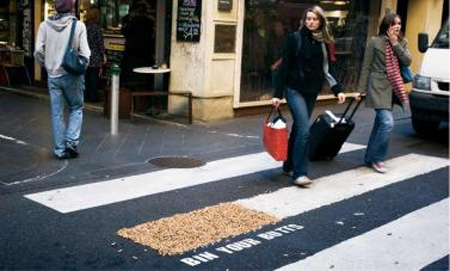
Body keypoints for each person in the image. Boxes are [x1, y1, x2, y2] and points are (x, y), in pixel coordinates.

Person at [272, 5, 346, 187]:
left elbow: (327, 69)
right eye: (308, 19)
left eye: (314, 19)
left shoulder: (324, 42)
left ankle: (288, 164)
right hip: (294, 89)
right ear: (304, 21)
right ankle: (300, 173)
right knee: (305, 129)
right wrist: (277, 94)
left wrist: (338, 89)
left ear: (320, 21)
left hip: (311, 91)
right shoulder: (295, 39)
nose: (311, 22)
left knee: (298, 129)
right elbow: (285, 67)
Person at [34, 0, 91, 159]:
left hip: (53, 75)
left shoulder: (44, 26)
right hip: (72, 75)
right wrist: (81, 67)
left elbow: (38, 50)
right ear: (72, 8)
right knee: (76, 107)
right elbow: (86, 53)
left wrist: (46, 65)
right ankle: (71, 142)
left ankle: (60, 150)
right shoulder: (78, 26)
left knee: (57, 113)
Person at [355, 13, 411, 173]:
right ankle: (377, 158)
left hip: (394, 87)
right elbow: (366, 66)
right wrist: (360, 90)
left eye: (399, 23)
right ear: (387, 25)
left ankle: (368, 157)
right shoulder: (375, 42)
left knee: (380, 124)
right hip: (377, 85)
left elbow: (407, 61)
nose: (397, 26)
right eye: (394, 23)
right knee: (387, 123)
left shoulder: (402, 42)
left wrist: (395, 44)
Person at [121, 0, 155, 83]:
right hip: (144, 53)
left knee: (131, 77)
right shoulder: (149, 22)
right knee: (143, 78)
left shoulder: (130, 20)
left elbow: (124, 32)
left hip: (133, 53)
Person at [85, 8, 106, 103]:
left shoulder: (85, 27)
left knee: (86, 76)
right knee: (94, 77)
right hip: (95, 55)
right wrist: (104, 54)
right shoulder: (97, 28)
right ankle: (93, 97)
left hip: (85, 55)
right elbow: (100, 43)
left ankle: (86, 96)